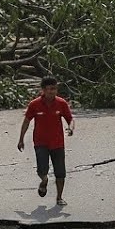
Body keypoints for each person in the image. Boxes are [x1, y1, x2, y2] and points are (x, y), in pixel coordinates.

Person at [17, 76, 75, 207]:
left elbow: (70, 119)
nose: (52, 92)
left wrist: (70, 128)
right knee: (42, 170)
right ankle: (44, 181)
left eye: (54, 89)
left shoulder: (61, 103)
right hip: (40, 143)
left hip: (58, 143)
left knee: (60, 172)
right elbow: (26, 121)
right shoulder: (34, 104)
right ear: (43, 90)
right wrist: (21, 139)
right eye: (49, 89)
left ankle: (59, 197)